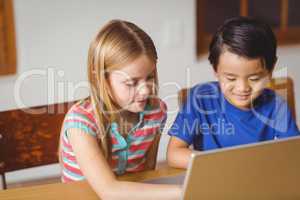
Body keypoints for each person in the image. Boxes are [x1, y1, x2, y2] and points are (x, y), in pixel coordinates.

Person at [59, 20, 181, 200]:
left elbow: (147, 175)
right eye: (131, 82)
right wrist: (185, 192)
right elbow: (110, 192)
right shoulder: (80, 123)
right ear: (101, 79)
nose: (145, 90)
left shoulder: (156, 112)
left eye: (150, 77)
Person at [167, 16, 300, 169]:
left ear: (270, 70)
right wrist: (228, 165)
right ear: (216, 70)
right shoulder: (200, 99)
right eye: (231, 78)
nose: (242, 88)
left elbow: (293, 155)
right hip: (213, 182)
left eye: (254, 78)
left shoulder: (276, 106)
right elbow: (174, 154)